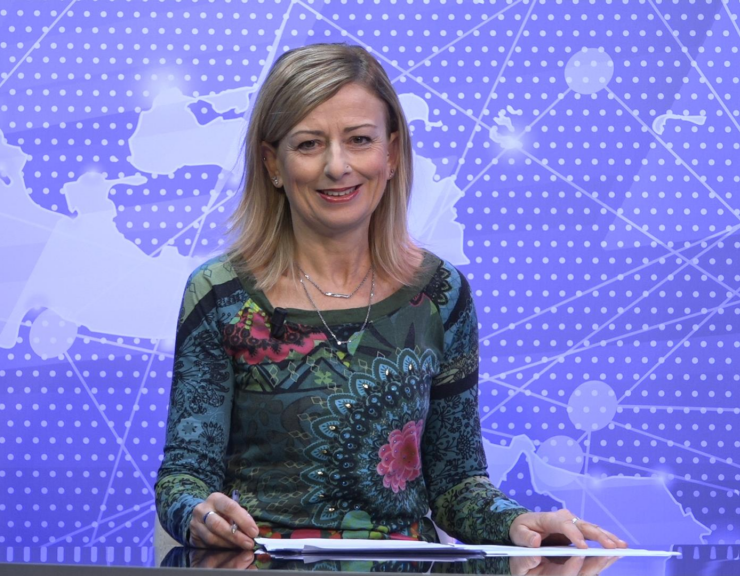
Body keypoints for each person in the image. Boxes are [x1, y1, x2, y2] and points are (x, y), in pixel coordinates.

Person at [154, 43, 627, 551]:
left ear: (392, 153)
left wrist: (515, 523)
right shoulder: (220, 294)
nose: (337, 166)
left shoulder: (441, 293)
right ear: (273, 163)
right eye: (309, 144)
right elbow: (184, 476)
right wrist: (198, 514)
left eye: (359, 139)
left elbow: (457, 485)